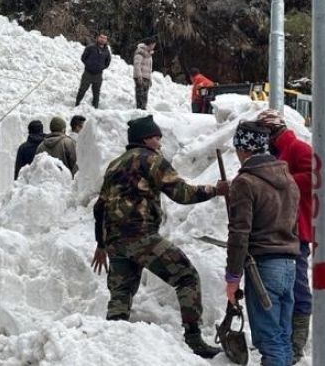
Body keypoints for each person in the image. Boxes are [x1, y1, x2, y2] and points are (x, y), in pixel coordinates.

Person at [91, 115, 227, 358]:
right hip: (141, 236)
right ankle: (194, 339)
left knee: (121, 294)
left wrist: (101, 243)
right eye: (156, 137)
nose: (160, 143)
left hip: (115, 240)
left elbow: (99, 207)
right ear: (145, 139)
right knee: (186, 276)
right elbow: (182, 193)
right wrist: (215, 190)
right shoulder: (151, 160)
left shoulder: (114, 165)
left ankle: (110, 345)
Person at [226, 121, 299, 366]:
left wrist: (233, 277)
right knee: (283, 337)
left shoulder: (245, 182)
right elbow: (294, 226)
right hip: (289, 264)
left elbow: (239, 234)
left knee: (269, 340)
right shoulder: (288, 180)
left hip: (263, 268)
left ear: (243, 149)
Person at [256, 109, 313, 362]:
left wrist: (279, 179)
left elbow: (316, 179)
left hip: (296, 229)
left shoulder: (299, 149)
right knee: (278, 289)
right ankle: (280, 339)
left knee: (297, 286)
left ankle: (296, 343)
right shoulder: (270, 153)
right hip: (275, 230)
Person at [75, 33, 111, 108]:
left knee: (96, 93)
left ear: (106, 40)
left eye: (104, 38)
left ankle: (95, 108)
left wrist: (101, 67)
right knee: (82, 90)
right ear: (98, 38)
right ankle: (77, 104)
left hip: (98, 75)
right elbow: (83, 57)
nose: (102, 39)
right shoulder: (90, 47)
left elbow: (107, 62)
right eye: (101, 37)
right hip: (88, 73)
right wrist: (88, 65)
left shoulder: (106, 51)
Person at [133, 37, 156, 109]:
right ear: (150, 44)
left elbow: (149, 68)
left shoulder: (149, 54)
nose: (154, 46)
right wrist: (139, 76)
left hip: (146, 77)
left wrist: (149, 78)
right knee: (140, 95)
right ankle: (139, 110)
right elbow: (137, 64)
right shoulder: (140, 51)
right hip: (140, 77)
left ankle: (143, 110)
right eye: (153, 44)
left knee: (145, 96)